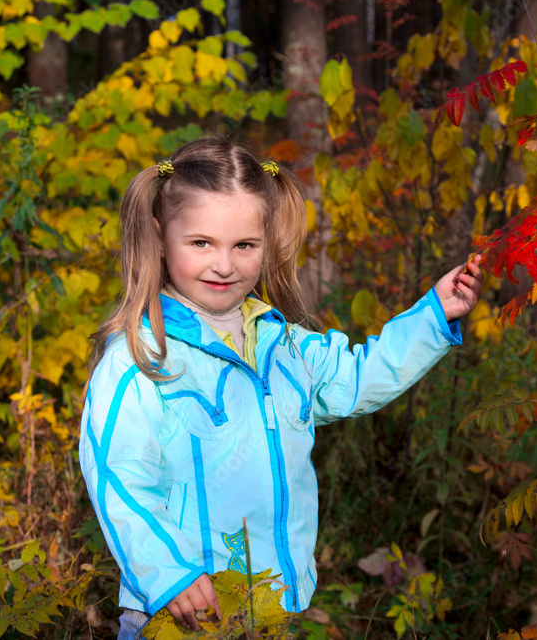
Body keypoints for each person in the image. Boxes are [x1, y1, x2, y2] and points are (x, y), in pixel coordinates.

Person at [78, 138, 484, 639]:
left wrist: (432, 317)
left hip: (270, 602)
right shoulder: (141, 358)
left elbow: (357, 378)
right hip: (179, 610)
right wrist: (169, 575)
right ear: (161, 237)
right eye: (201, 243)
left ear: (267, 242)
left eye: (244, 245)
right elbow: (119, 477)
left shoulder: (283, 345)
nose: (224, 265)